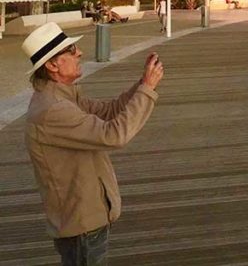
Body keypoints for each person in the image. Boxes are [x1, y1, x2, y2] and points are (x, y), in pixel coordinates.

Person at [22, 22, 163, 266]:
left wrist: (142, 84)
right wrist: (147, 90)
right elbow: (114, 134)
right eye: (71, 49)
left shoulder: (62, 97)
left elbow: (108, 111)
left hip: (86, 221)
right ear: (53, 65)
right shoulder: (54, 109)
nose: (80, 53)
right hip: (82, 226)